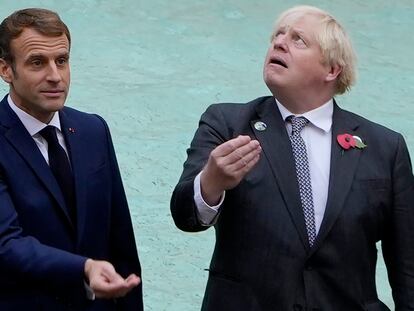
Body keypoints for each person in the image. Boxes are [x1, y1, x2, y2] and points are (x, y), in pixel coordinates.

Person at [171, 5, 414, 310]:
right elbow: (185, 216)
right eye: (277, 35)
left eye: (299, 39)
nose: (279, 43)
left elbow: (408, 267)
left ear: (331, 70)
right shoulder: (227, 123)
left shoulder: (385, 147)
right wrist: (211, 182)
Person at [0, 8, 143, 310]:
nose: (55, 76)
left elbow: (120, 242)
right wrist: (84, 267)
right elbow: (6, 244)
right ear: (5, 70)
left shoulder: (93, 130)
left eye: (62, 61)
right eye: (37, 62)